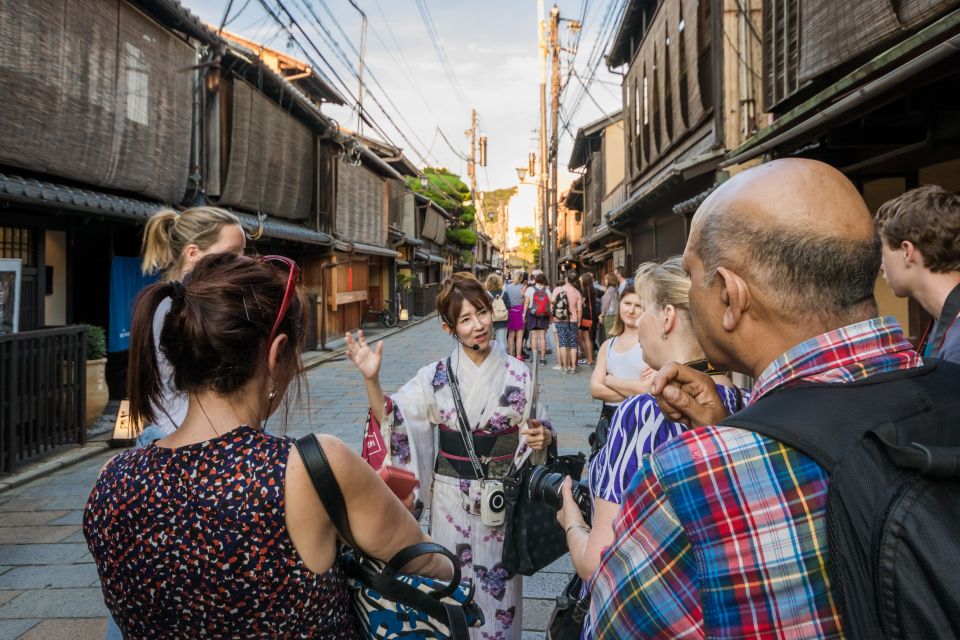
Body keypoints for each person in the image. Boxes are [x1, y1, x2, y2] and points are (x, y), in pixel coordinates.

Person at [584, 158, 960, 639]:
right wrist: (727, 430)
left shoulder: (690, 479)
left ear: (732, 297)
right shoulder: (948, 382)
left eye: (697, 275)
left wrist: (717, 449)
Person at [84, 254, 451, 638]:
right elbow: (430, 564)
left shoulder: (112, 481)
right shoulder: (311, 467)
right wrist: (375, 516)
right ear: (276, 354)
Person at [346, 272, 556, 640]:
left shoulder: (520, 375)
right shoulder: (434, 377)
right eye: (465, 319)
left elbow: (539, 434)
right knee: (450, 584)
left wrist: (543, 438)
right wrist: (371, 380)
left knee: (500, 591)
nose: (479, 325)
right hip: (449, 501)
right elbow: (394, 419)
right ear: (449, 328)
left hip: (501, 499)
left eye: (482, 313)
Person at [561, 258, 742, 585]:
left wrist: (570, 517)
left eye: (643, 309)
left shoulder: (645, 413)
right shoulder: (741, 399)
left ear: (667, 318)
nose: (636, 319)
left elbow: (597, 563)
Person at [137, 206, 246, 445]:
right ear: (193, 253)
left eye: (242, 253)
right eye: (231, 254)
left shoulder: (178, 302)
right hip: (181, 436)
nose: (240, 262)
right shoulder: (175, 306)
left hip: (183, 432)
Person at [875, 185, 960, 363]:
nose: (881, 266)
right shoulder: (942, 321)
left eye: (883, 253)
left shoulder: (957, 347)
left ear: (907, 251)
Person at [588, 285, 648, 430]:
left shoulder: (649, 344)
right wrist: (635, 388)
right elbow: (595, 389)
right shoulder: (608, 345)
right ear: (620, 303)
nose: (631, 310)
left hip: (641, 420)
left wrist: (610, 380)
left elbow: (648, 389)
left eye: (638, 306)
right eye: (627, 303)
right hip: (610, 419)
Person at [552, 271, 583, 373]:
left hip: (560, 319)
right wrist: (579, 320)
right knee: (573, 345)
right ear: (574, 282)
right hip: (573, 319)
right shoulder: (577, 292)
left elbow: (552, 303)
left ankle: (565, 367)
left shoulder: (558, 289)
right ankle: (573, 367)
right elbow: (580, 309)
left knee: (563, 344)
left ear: (566, 279)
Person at [524, 272, 552, 365]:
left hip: (532, 315)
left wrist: (524, 315)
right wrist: (550, 316)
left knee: (534, 338)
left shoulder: (530, 289)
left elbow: (526, 303)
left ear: (536, 280)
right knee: (542, 338)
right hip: (544, 316)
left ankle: (534, 357)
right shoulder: (547, 290)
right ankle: (543, 359)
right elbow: (551, 304)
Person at [504, 269, 527, 359]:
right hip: (521, 312)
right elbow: (525, 302)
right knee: (519, 336)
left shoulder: (507, 287)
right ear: (521, 278)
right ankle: (518, 355)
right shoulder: (523, 288)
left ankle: (510, 354)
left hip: (511, 312)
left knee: (510, 335)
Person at [484, 273, 511, 346]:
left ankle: (490, 356)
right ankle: (502, 356)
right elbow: (508, 306)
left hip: (489, 320)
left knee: (489, 340)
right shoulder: (504, 293)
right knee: (501, 340)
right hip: (502, 320)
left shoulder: (485, 294)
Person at [578, 273, 598, 366]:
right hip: (589, 315)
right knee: (585, 337)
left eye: (581, 279)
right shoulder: (591, 289)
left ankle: (589, 359)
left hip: (585, 315)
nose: (580, 280)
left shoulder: (586, 290)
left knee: (585, 337)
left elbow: (581, 302)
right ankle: (588, 358)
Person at [598, 273, 619, 340]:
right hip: (617, 315)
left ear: (609, 280)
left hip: (609, 316)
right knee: (615, 335)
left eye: (606, 279)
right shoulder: (617, 290)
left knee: (609, 336)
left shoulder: (609, 291)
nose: (605, 281)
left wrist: (602, 315)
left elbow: (605, 305)